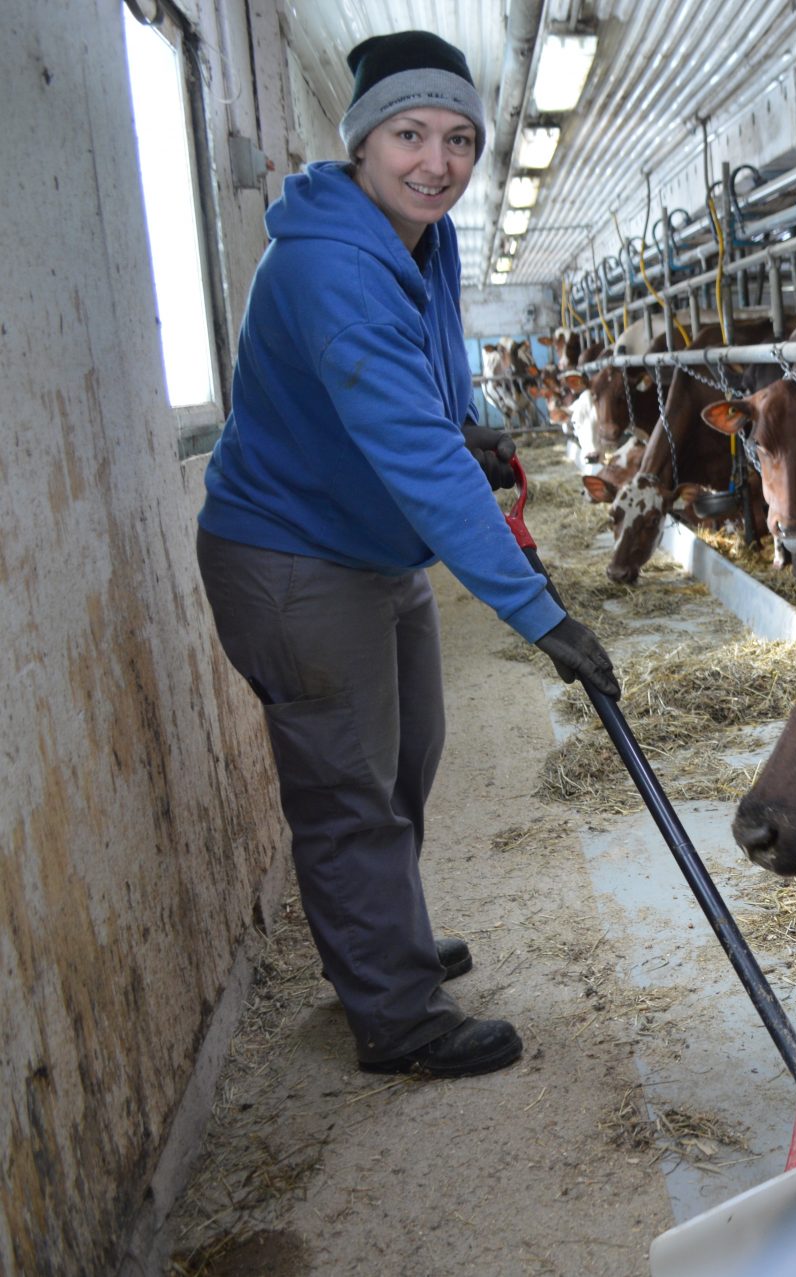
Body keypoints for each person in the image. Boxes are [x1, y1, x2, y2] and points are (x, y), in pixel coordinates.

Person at [196, 30, 619, 1079]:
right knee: (349, 788)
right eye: (409, 134)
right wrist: (540, 615)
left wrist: (471, 421)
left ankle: (385, 938)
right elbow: (416, 459)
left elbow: (429, 394)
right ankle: (394, 1013)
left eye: (460, 138)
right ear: (360, 143)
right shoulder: (329, 267)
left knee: (406, 756)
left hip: (369, 547)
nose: (438, 161)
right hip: (293, 557)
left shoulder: (424, 239)